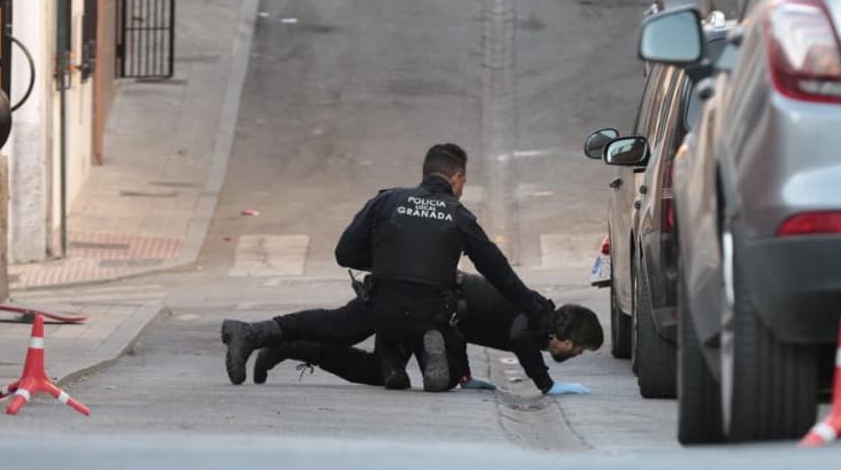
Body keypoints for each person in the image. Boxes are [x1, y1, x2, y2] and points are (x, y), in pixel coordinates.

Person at [221, 143, 550, 392]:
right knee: (447, 369)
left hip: (380, 307)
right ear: (457, 177)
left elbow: (344, 253)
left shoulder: (387, 201)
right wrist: (535, 310)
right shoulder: (459, 216)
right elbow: (499, 274)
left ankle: (251, 333)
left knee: (334, 324)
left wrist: (388, 260)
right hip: (430, 313)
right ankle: (428, 345)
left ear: (425, 173)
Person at [254, 274, 603, 395]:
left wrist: (465, 376)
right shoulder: (538, 318)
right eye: (579, 349)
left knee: (376, 369)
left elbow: (468, 327)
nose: (575, 355)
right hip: (424, 306)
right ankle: (285, 341)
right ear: (567, 337)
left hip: (438, 314)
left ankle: (291, 347)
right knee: (344, 329)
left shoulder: (539, 317)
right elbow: (517, 339)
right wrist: (547, 385)